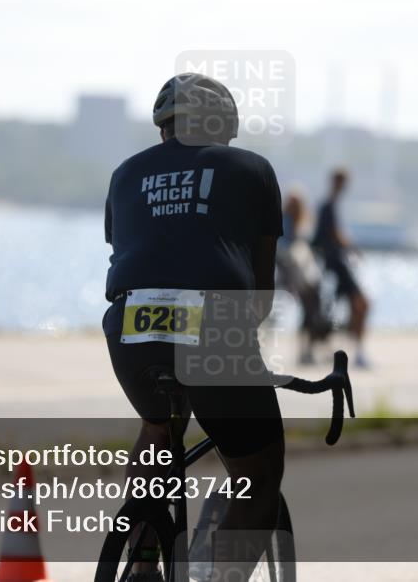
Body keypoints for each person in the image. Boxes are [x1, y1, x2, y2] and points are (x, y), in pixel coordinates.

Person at [103, 73, 284, 581]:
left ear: (164, 127)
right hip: (214, 326)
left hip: (128, 325)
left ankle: (141, 563)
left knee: (159, 425)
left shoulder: (124, 174)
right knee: (259, 476)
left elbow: (130, 258)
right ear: (223, 131)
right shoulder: (254, 170)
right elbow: (260, 297)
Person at [312, 168, 371, 368]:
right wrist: (353, 248)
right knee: (361, 304)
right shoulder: (327, 206)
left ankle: (355, 351)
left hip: (334, 265)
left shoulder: (328, 206)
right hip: (336, 265)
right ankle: (358, 353)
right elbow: (334, 235)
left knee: (351, 307)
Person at [276, 189, 331, 365]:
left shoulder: (293, 222)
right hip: (297, 274)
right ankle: (306, 351)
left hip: (300, 274)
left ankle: (307, 350)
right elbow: (285, 250)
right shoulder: (288, 222)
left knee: (309, 310)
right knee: (310, 309)